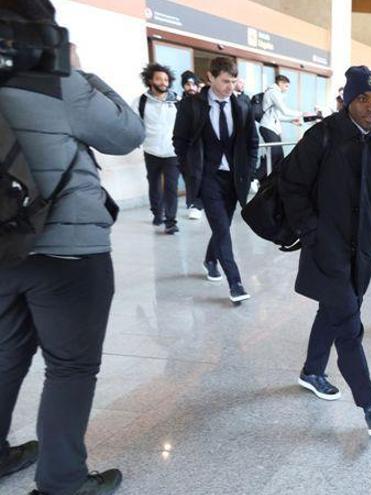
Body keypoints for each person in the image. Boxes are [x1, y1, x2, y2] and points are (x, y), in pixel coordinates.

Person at [0, 2, 145, 493]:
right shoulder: (57, 83)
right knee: (71, 367)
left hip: (1, 253)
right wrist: (86, 74)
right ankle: (62, 482)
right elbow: (127, 133)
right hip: (68, 252)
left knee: (2, 358)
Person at [279, 66, 371, 436]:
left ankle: (312, 370)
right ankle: (370, 405)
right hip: (326, 247)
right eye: (363, 99)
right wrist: (311, 229)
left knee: (335, 311)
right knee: (349, 324)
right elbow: (291, 184)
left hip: (362, 253)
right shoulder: (323, 136)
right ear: (348, 99)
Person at [173, 57, 259, 303]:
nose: (230, 86)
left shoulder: (242, 105)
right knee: (221, 227)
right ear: (210, 77)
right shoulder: (192, 105)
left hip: (233, 178)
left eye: (233, 81)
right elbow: (179, 141)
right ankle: (236, 283)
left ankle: (211, 259)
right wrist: (187, 169)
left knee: (223, 225)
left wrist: (249, 171)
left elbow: (253, 142)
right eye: (224, 81)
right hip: (207, 176)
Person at [133, 63, 181, 234]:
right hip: (151, 150)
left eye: (166, 79)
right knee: (154, 183)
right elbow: (133, 123)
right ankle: (157, 213)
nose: (163, 82)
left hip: (172, 151)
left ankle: (171, 221)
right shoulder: (141, 101)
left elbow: (184, 124)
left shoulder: (176, 100)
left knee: (170, 186)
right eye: (159, 79)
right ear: (150, 80)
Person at [258, 75, 302, 179]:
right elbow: (285, 111)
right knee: (275, 154)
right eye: (286, 86)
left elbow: (278, 116)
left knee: (279, 156)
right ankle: (255, 178)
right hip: (267, 127)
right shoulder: (273, 92)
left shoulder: (276, 93)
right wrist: (302, 114)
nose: (287, 89)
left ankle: (275, 180)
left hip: (273, 128)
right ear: (280, 83)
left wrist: (292, 121)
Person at [178, 70, 204, 220]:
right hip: (182, 146)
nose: (191, 87)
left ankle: (197, 204)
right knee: (188, 175)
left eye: (194, 84)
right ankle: (192, 201)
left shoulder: (202, 102)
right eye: (188, 84)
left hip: (199, 146)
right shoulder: (178, 102)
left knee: (197, 175)